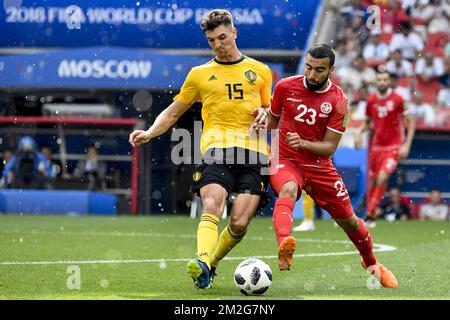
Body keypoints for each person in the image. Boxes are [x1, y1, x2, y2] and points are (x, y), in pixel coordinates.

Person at [128, 9, 272, 290]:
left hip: (254, 153)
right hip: (216, 149)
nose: (218, 44)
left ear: (234, 32)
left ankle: (212, 264)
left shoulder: (261, 71)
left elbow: (270, 109)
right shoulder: (199, 75)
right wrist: (148, 133)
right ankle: (202, 262)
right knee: (211, 205)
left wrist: (267, 114)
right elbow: (172, 113)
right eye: (211, 40)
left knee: (239, 224)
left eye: (222, 37)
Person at [266, 44, 398, 287]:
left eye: (319, 69)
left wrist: (303, 142)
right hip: (286, 159)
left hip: (319, 165)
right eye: (308, 67)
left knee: (348, 220)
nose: (312, 74)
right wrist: (261, 120)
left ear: (331, 69)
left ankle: (372, 263)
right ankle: (284, 244)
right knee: (287, 190)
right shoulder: (285, 86)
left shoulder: (338, 100)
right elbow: (271, 123)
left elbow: (329, 147)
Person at [355, 66, 415, 228]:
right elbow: (368, 122)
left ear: (390, 81)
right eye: (379, 79)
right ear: (376, 82)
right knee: (373, 181)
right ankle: (372, 215)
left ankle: (369, 214)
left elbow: (411, 121)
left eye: (385, 79)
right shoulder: (371, 100)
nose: (382, 82)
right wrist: (359, 133)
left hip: (393, 146)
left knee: (382, 177)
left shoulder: (398, 99)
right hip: (376, 147)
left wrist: (406, 145)